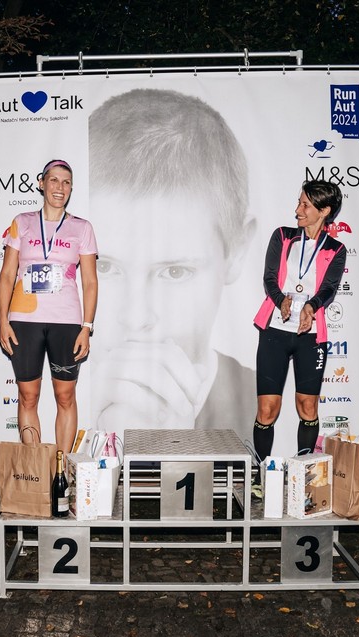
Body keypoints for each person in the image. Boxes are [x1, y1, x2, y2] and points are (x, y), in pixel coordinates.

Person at [87, 88, 257, 433]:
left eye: (175, 272)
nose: (136, 319)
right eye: (104, 267)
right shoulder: (43, 401)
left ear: (236, 252)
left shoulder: (276, 411)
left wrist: (178, 450)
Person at [0, 159, 98, 453]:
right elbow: (7, 275)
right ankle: (35, 469)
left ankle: (61, 470)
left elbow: (90, 282)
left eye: (66, 182)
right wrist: (3, 322)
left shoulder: (82, 228)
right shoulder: (22, 222)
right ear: (41, 184)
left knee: (65, 396)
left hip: (66, 321)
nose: (60, 187)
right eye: (54, 180)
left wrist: (87, 327)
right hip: (24, 320)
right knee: (28, 396)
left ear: (71, 188)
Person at [252, 180, 346, 461]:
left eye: (305, 205)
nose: (298, 210)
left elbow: (329, 288)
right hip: (275, 330)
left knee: (307, 406)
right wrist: (281, 300)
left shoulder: (336, 249)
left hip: (311, 335)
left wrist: (310, 306)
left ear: (324, 210)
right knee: (267, 409)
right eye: (299, 202)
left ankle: (303, 472)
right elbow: (270, 278)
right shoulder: (283, 236)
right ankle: (262, 474)